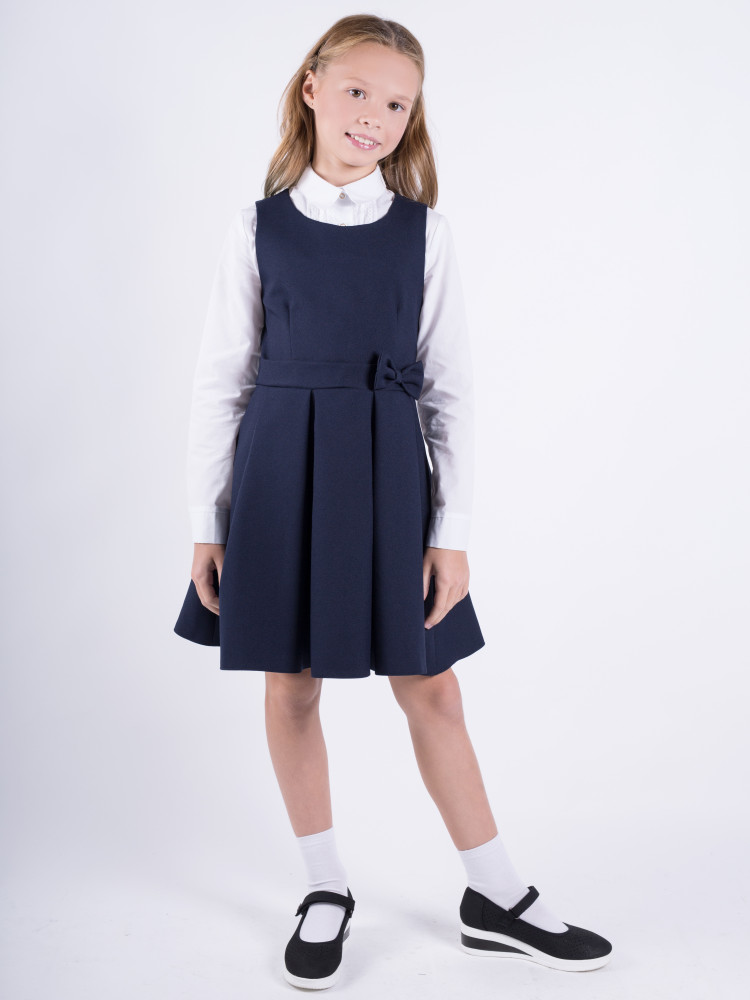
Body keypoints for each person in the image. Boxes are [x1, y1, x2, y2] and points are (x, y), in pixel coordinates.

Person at [173, 13, 613, 990]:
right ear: (312, 88)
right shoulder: (256, 228)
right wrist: (208, 520)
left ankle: (495, 894)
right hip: (279, 470)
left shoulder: (426, 233)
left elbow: (452, 390)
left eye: (397, 104)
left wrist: (452, 534)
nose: (374, 115)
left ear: (414, 119)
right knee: (291, 685)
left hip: (385, 474)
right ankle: (324, 887)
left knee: (434, 686)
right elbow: (220, 381)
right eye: (358, 91)